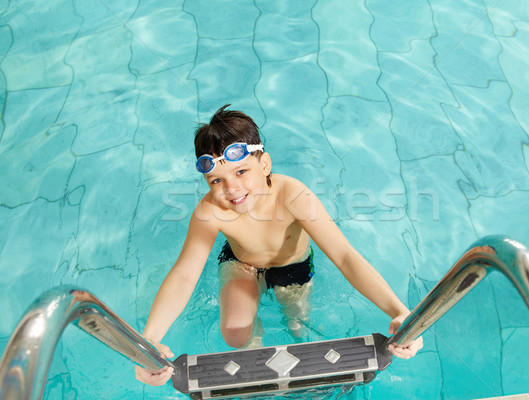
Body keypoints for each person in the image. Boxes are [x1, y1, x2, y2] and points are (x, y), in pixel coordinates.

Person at [135, 105, 423, 386]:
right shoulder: (209, 210)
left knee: (298, 322)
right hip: (242, 265)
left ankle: (293, 330)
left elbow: (345, 256)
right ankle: (254, 347)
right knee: (236, 334)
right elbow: (184, 275)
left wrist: (399, 311)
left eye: (241, 172)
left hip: (293, 268)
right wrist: (150, 339)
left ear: (265, 164)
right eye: (216, 180)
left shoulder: (294, 195)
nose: (231, 189)